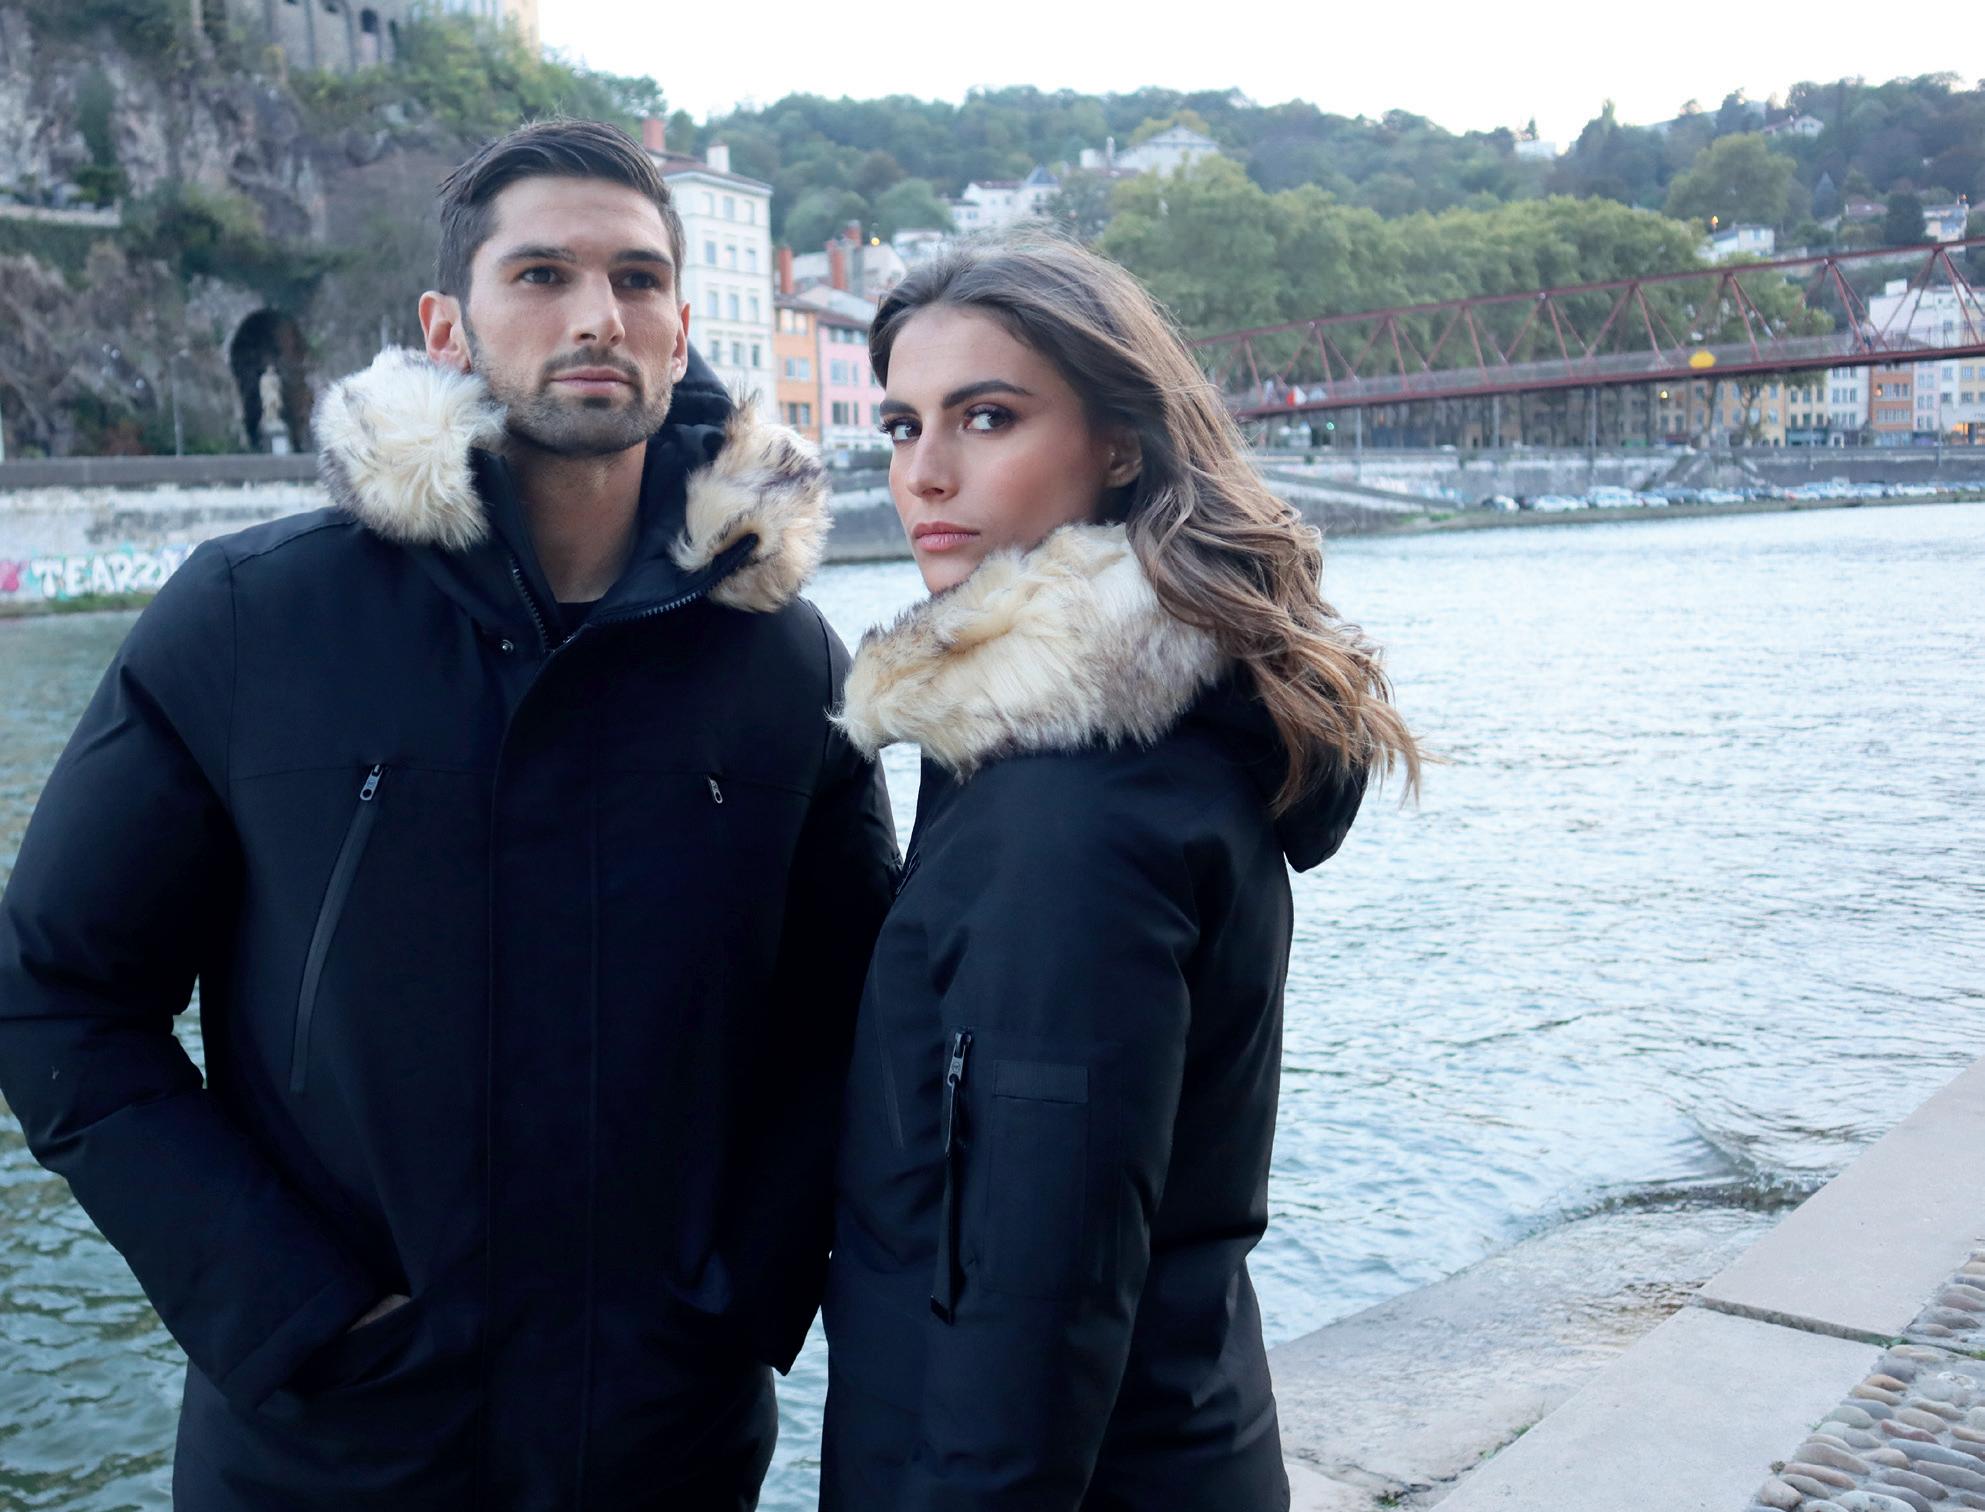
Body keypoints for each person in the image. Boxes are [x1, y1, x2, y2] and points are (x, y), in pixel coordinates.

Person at [0, 119, 897, 1510]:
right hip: (332, 1455)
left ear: (679, 329)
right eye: (540, 274)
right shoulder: (251, 617)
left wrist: (739, 1291)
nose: (598, 315)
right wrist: (284, 1306)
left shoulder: (780, 660)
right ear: (445, 327)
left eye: (638, 279)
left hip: (663, 1446)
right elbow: (54, 991)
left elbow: (847, 1015)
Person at [819, 236, 1420, 1511]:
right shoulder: (1109, 739)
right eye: (902, 425)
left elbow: (1035, 1302)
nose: (923, 472)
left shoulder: (1069, 809)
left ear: (1119, 446)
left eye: (987, 417)